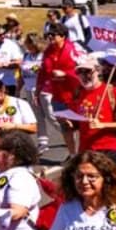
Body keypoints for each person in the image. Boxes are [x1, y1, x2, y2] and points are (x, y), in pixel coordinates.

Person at [69, 55, 116, 164]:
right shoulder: (78, 93)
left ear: (98, 71)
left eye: (87, 71)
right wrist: (69, 123)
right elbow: (76, 123)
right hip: (85, 150)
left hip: (109, 149)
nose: (84, 76)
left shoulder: (113, 92)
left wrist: (103, 125)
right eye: (80, 72)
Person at [35, 23, 82, 156]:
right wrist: (38, 91)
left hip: (75, 95)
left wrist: (66, 74)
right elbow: (43, 72)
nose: (49, 37)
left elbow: (84, 69)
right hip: (58, 95)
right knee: (65, 127)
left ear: (63, 36)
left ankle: (85, 153)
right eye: (48, 35)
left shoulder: (73, 49)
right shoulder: (48, 51)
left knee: (81, 126)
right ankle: (73, 155)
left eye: (53, 35)